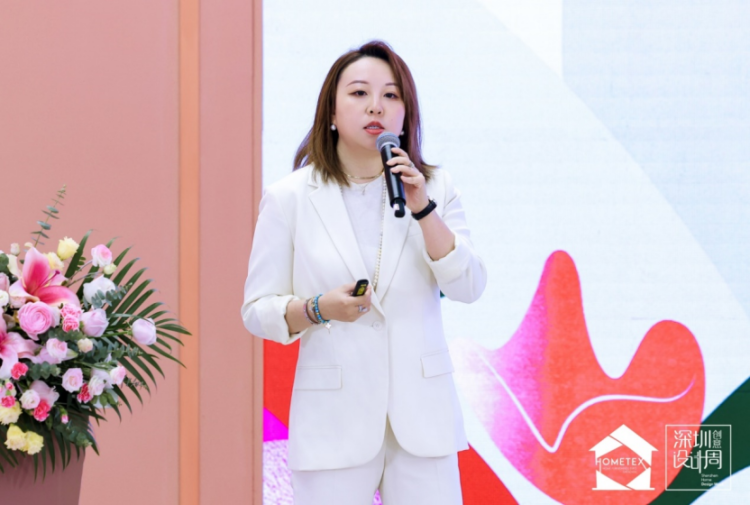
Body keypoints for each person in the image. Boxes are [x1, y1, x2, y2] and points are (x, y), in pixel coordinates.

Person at [241, 40, 487, 505]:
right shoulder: (289, 197)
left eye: (391, 95)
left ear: (405, 116)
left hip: (424, 422)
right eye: (359, 93)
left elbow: (469, 286)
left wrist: (423, 209)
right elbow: (257, 310)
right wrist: (318, 309)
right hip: (333, 421)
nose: (376, 106)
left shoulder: (434, 187)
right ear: (331, 113)